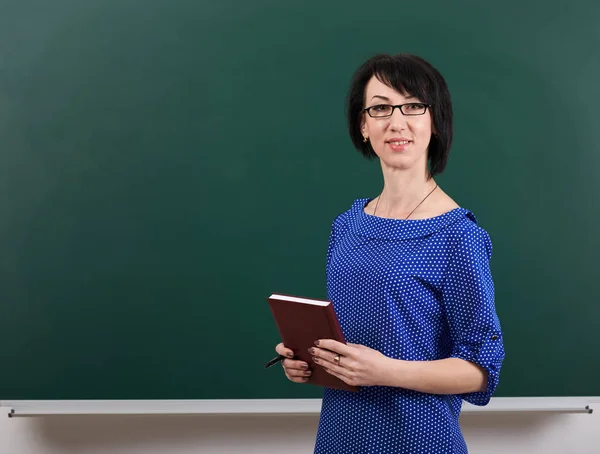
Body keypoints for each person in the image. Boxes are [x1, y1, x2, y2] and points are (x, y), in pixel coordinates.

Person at [275, 53, 505, 453]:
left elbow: (481, 370)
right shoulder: (347, 225)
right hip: (340, 436)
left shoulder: (458, 235)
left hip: (419, 440)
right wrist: (309, 359)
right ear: (363, 126)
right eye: (380, 108)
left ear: (435, 121)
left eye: (413, 106)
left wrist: (385, 371)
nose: (396, 122)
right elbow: (354, 336)